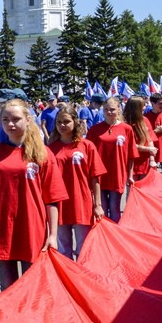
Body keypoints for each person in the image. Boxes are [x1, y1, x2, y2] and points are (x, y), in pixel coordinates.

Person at [0, 98, 67, 290]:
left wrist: (53, 235)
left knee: (32, 288)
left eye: (16, 119)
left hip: (32, 230)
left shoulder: (42, 153)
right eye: (5, 120)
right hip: (1, 231)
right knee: (8, 288)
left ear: (28, 119)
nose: (10, 124)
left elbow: (52, 199)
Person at [48, 107, 105, 260]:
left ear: (75, 122)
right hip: (59, 205)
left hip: (81, 202)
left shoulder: (86, 146)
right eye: (59, 122)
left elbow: (95, 177)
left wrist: (98, 205)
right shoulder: (50, 149)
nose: (62, 125)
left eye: (66, 121)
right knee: (63, 249)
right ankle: (66, 275)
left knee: (83, 248)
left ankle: (82, 275)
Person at [86, 96, 138, 222]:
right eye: (106, 109)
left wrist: (130, 175)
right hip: (99, 176)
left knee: (115, 208)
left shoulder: (126, 129)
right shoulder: (94, 130)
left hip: (117, 174)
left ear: (119, 109)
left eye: (112, 109)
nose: (109, 112)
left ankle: (115, 233)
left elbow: (131, 155)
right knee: (102, 208)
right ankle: (104, 233)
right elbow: (87, 154)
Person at [122, 95, 157, 182]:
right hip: (130, 163)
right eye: (143, 105)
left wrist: (152, 160)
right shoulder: (124, 123)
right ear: (136, 108)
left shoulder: (145, 120)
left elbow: (150, 140)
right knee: (132, 188)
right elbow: (128, 145)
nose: (145, 107)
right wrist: (147, 149)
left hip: (145, 162)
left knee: (145, 188)